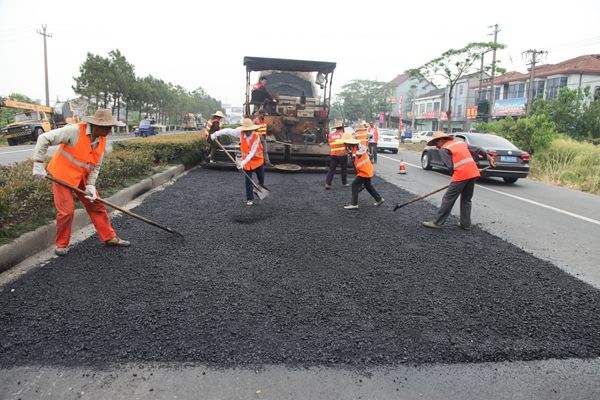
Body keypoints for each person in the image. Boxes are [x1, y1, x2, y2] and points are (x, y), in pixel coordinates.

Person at [31, 109, 130, 256]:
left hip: (82, 177)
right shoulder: (74, 131)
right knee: (66, 211)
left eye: (110, 127)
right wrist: (38, 163)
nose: (109, 130)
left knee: (96, 204)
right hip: (62, 175)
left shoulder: (102, 139)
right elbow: (44, 138)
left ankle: (109, 237)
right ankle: (61, 245)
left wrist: (90, 185)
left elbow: (96, 166)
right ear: (96, 125)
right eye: (107, 127)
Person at [422, 132, 496, 230]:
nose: (436, 147)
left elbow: (450, 167)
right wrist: (489, 158)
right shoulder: (460, 143)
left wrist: (455, 179)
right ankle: (465, 224)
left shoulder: (444, 149)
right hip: (473, 173)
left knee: (448, 198)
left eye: (436, 144)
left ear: (441, 140)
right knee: (466, 199)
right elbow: (478, 149)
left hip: (461, 174)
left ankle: (437, 222)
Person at [211, 118, 265, 206]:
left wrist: (242, 163)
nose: (248, 132)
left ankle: (258, 187)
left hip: (257, 159)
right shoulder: (240, 133)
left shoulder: (256, 136)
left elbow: (252, 152)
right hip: (247, 162)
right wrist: (215, 134)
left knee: (261, 178)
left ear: (252, 129)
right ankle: (250, 199)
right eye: (246, 130)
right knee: (248, 180)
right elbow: (227, 131)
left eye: (249, 130)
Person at [337, 137, 384, 210]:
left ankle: (354, 204)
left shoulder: (358, 150)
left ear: (350, 143)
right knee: (368, 186)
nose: (345, 145)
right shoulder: (357, 147)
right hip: (366, 170)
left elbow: (357, 156)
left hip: (364, 171)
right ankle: (379, 199)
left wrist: (351, 154)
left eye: (346, 143)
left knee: (354, 185)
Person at [325, 121, 348, 189]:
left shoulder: (331, 135)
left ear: (336, 128)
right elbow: (347, 143)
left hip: (333, 154)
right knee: (343, 169)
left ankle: (328, 183)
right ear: (342, 128)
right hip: (342, 154)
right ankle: (344, 183)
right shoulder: (343, 135)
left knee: (332, 169)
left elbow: (329, 143)